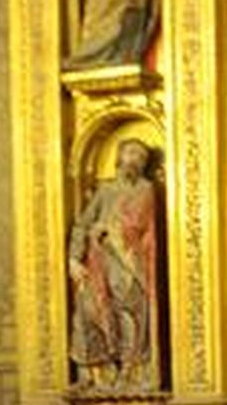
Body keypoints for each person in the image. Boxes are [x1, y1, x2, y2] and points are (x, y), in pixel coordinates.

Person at [68, 137, 159, 390]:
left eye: (141, 157)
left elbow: (141, 225)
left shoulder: (145, 189)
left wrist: (110, 228)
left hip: (130, 263)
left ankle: (129, 370)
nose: (135, 160)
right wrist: (74, 258)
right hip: (98, 260)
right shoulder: (105, 190)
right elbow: (83, 223)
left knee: (128, 314)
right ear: (119, 158)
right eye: (130, 153)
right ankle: (95, 372)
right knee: (88, 309)